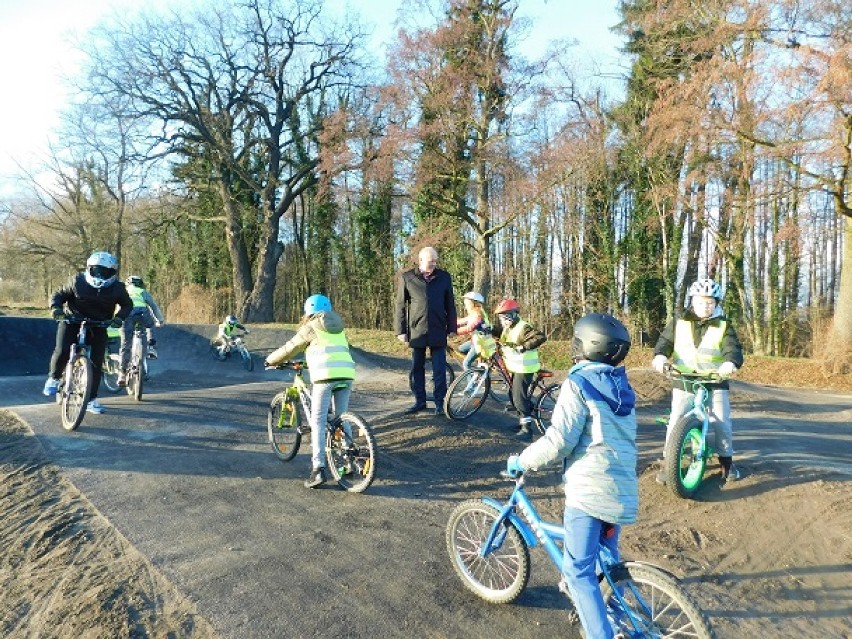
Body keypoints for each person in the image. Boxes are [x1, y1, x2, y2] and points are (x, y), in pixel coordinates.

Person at [505, 313, 637, 639]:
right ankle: (619, 619)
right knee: (605, 564)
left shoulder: (578, 385)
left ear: (585, 345)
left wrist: (522, 460)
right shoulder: (622, 387)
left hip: (589, 493)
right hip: (621, 490)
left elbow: (559, 442)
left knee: (577, 573)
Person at [652, 278, 745, 485]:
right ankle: (670, 463)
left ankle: (726, 462)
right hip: (684, 379)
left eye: (711, 302)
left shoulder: (723, 325)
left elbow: (733, 349)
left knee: (721, 422)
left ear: (716, 303)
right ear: (693, 301)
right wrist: (659, 356)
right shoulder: (679, 321)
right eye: (702, 301)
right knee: (676, 419)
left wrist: (730, 363)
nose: (706, 305)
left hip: (714, 380)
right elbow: (665, 342)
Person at [264, 294, 356, 489]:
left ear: (308, 312)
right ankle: (348, 461)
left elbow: (291, 347)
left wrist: (271, 360)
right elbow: (330, 349)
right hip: (346, 373)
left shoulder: (311, 326)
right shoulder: (338, 326)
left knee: (318, 421)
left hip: (326, 377)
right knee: (342, 417)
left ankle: (318, 469)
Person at [44, 251, 134, 414]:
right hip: (72, 321)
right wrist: (56, 308)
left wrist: (119, 318)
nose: (100, 275)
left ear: (112, 273)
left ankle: (90, 399)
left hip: (99, 325)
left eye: (105, 272)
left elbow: (127, 305)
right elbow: (59, 295)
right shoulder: (77, 281)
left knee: (96, 363)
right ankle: (54, 378)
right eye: (96, 270)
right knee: (63, 349)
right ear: (89, 269)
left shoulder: (118, 288)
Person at [394, 246, 458, 415]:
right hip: (417, 330)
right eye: (431, 261)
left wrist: (452, 327)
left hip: (438, 329)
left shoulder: (444, 277)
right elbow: (400, 306)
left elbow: (450, 304)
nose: (434, 264)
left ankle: (440, 404)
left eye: (436, 261)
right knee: (417, 368)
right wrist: (400, 330)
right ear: (421, 260)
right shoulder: (407, 277)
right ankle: (420, 402)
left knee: (439, 369)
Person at [492, 298, 547, 440]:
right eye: (500, 318)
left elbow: (541, 336)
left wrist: (524, 346)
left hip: (525, 367)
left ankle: (527, 430)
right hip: (516, 367)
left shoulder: (523, 327)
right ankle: (523, 420)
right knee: (513, 395)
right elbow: (504, 338)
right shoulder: (508, 328)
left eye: (504, 318)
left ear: (512, 315)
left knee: (518, 397)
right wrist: (490, 329)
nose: (502, 321)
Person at [117, 276, 165, 386]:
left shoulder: (124, 291)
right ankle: (151, 346)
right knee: (150, 324)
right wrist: (160, 320)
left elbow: (117, 308)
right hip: (142, 314)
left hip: (127, 315)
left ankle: (122, 374)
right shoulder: (142, 291)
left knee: (126, 345)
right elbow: (153, 306)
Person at [455, 291, 493, 370]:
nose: (465, 306)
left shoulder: (478, 315)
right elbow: (463, 320)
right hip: (477, 341)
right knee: (460, 349)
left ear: (474, 304)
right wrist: (449, 324)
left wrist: (454, 331)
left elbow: (469, 328)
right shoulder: (475, 313)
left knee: (466, 363)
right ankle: (477, 369)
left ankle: (472, 382)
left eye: (467, 304)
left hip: (482, 343)